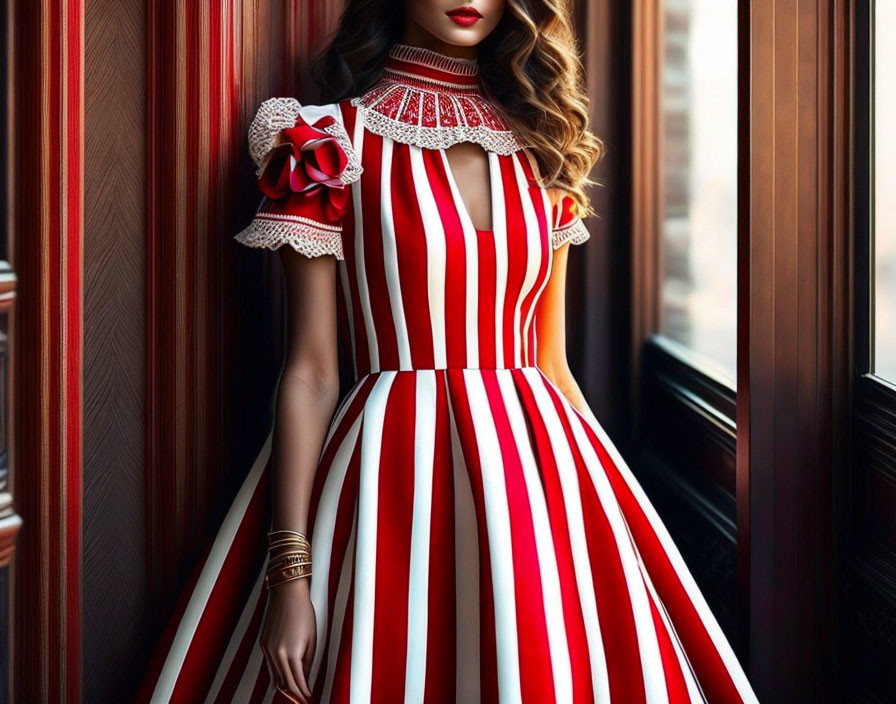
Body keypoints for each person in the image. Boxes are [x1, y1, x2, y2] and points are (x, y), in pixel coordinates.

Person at [140, 1, 760, 702]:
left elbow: (550, 365)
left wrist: (610, 519)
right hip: (387, 484)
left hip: (539, 479)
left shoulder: (544, 144)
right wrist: (291, 573)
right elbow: (312, 369)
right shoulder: (325, 141)